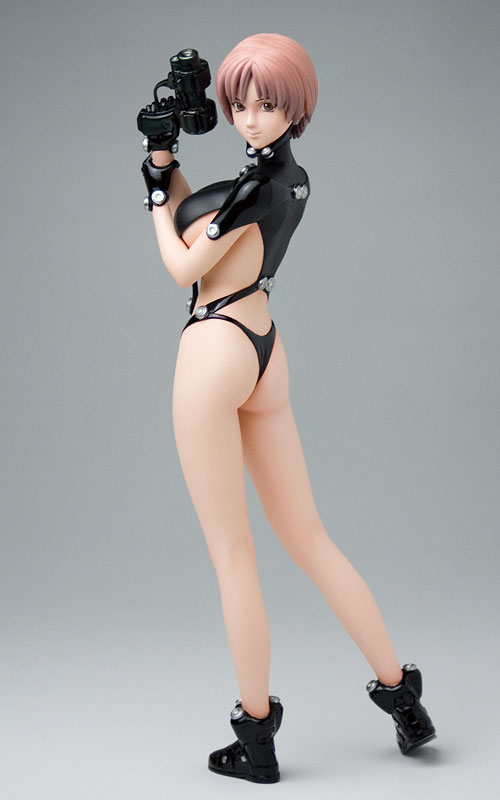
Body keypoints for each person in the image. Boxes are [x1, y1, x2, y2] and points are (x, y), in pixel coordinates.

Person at [138, 32, 436, 784]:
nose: (248, 117)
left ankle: (257, 738)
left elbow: (180, 260)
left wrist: (153, 187)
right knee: (308, 535)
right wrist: (167, 165)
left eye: (265, 104)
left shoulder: (250, 188)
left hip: (215, 348)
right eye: (238, 103)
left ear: (295, 106)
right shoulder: (290, 180)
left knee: (233, 554)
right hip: (265, 347)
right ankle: (404, 700)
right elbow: (208, 217)